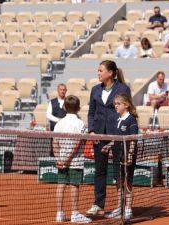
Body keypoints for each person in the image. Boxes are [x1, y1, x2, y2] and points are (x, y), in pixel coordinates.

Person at [86, 60, 131, 216]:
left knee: (119, 172)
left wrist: (120, 133)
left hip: (118, 136)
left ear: (110, 73)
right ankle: (98, 204)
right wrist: (91, 131)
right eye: (98, 70)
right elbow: (91, 113)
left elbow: (126, 111)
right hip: (99, 135)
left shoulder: (123, 89)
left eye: (100, 70)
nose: (98, 73)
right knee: (99, 171)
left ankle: (122, 206)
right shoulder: (94, 90)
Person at [53, 95, 92, 224]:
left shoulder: (59, 123)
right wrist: (67, 160)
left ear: (64, 107)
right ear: (79, 108)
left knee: (61, 185)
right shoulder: (81, 124)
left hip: (62, 160)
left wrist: (59, 159)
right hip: (74, 160)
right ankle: (74, 213)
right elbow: (77, 143)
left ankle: (59, 213)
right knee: (74, 185)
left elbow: (55, 143)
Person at [101, 93, 138, 221]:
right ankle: (119, 208)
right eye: (115, 104)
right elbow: (117, 140)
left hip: (127, 158)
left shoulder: (131, 120)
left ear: (126, 105)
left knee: (127, 183)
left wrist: (130, 156)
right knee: (118, 182)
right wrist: (109, 146)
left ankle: (128, 209)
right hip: (117, 157)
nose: (115, 106)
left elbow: (133, 140)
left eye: (118, 104)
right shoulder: (118, 120)